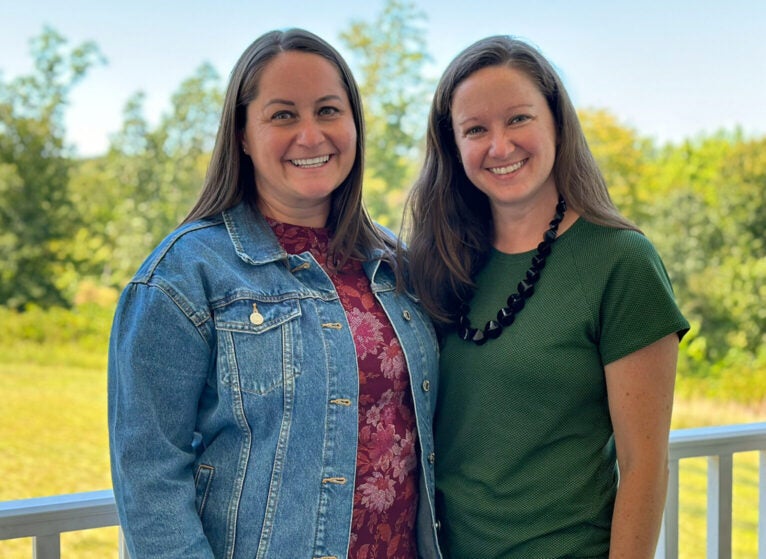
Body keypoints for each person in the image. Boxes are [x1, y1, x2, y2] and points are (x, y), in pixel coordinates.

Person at [108, 28, 441, 559]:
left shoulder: (396, 266)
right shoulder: (182, 276)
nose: (311, 136)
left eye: (329, 111)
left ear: (354, 124)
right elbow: (148, 474)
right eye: (283, 115)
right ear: (242, 134)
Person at [401, 35, 689, 558]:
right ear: (453, 145)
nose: (500, 146)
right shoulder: (437, 262)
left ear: (556, 121)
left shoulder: (619, 262)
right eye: (475, 129)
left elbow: (645, 467)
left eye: (518, 118)